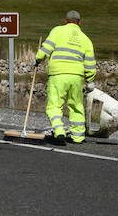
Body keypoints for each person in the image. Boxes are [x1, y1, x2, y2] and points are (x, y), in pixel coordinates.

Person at [35, 10, 97, 146]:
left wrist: (38, 59)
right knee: (76, 105)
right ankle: (78, 136)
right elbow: (90, 64)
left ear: (65, 21)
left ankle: (59, 130)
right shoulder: (86, 39)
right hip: (77, 77)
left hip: (58, 75)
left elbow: (46, 48)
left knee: (55, 105)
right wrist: (90, 79)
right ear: (80, 22)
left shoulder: (57, 31)